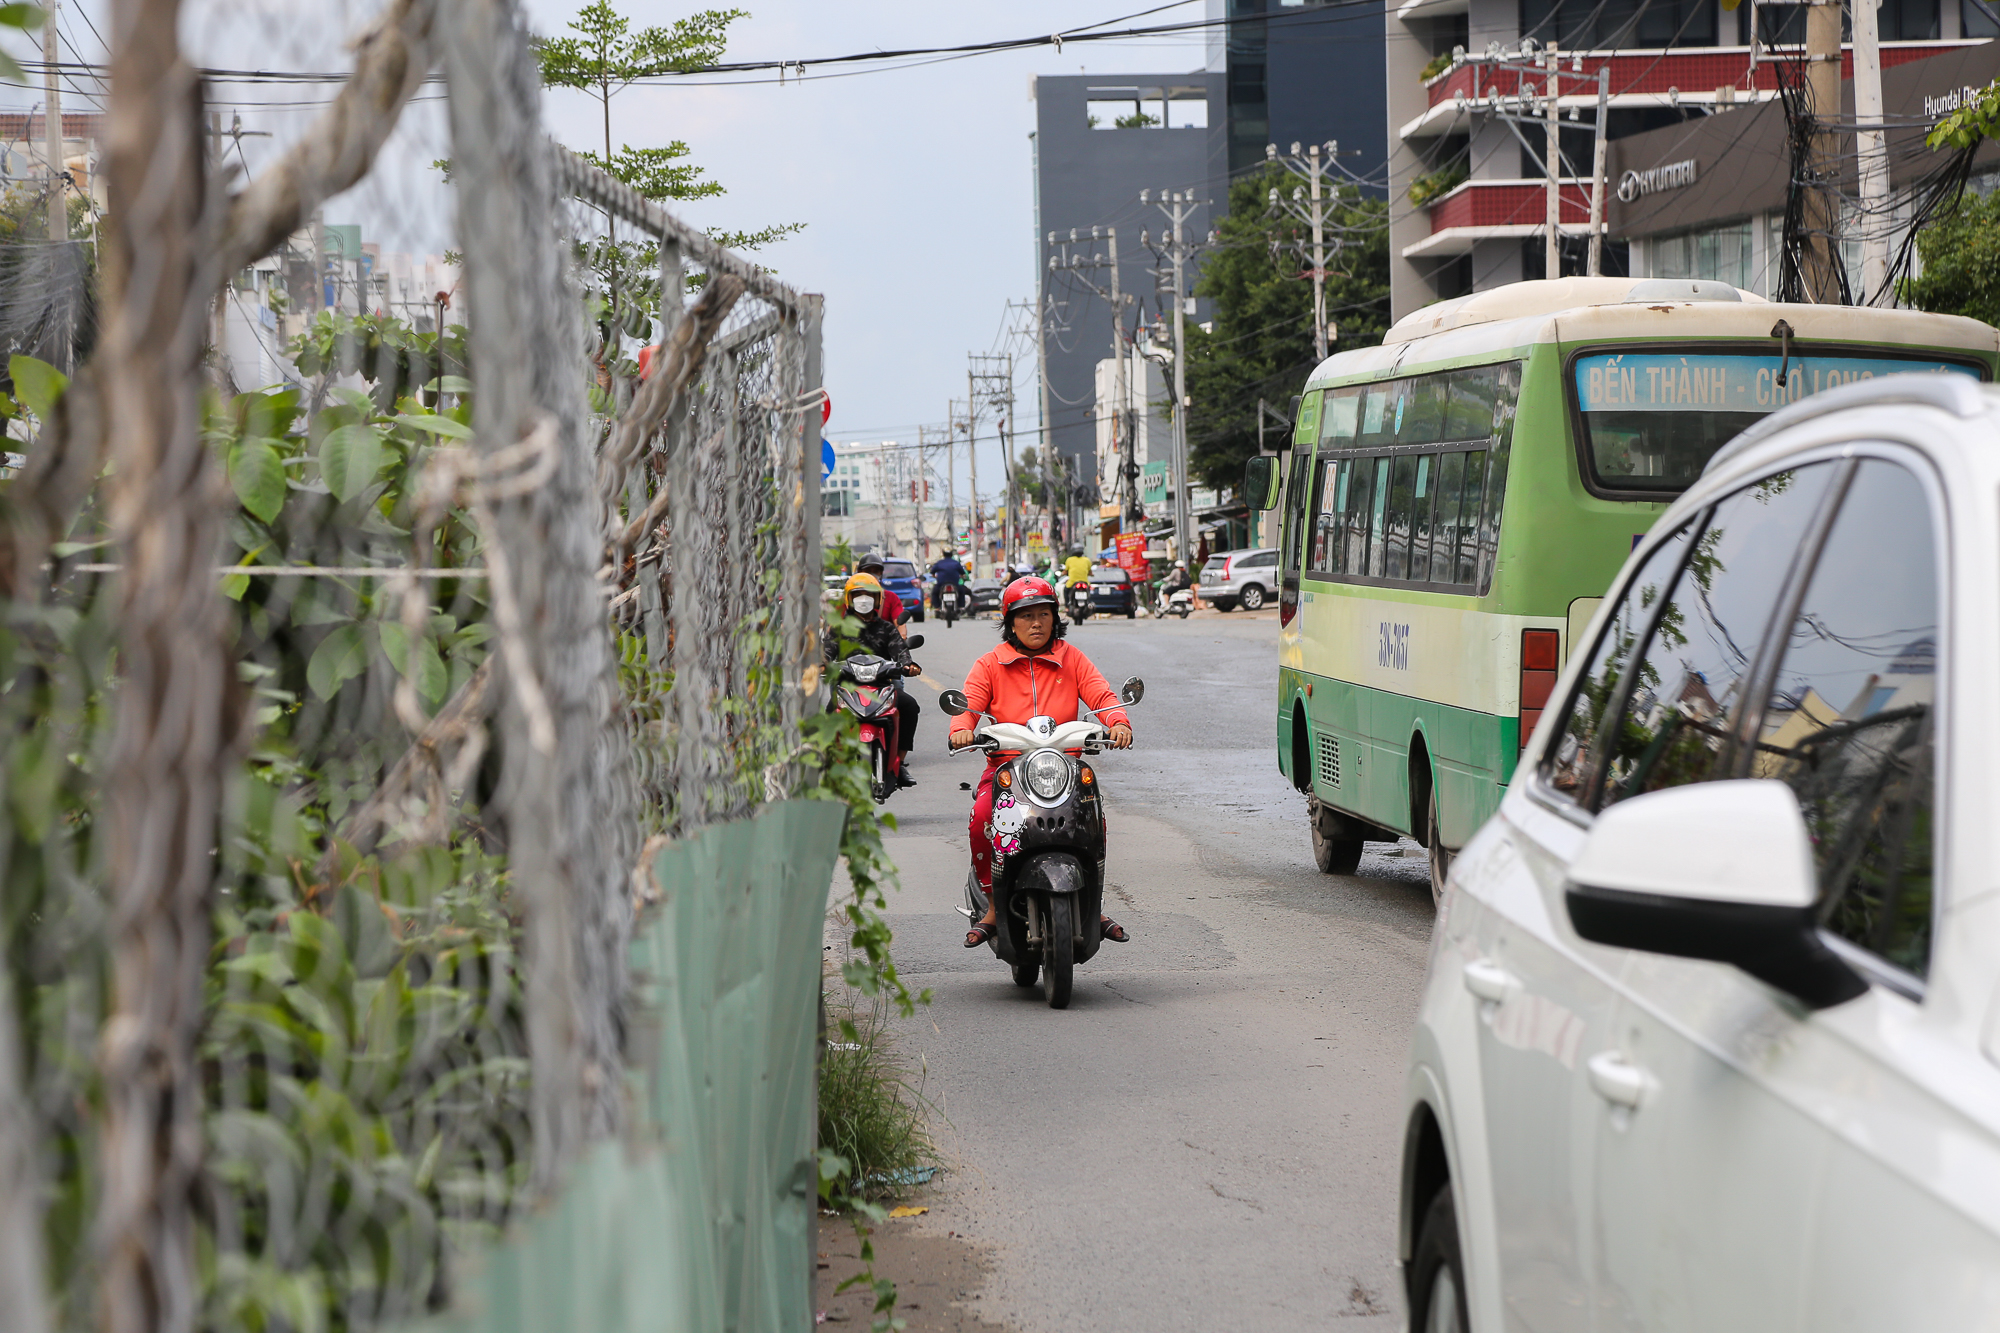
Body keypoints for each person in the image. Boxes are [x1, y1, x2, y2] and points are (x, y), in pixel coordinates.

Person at [950, 576, 1133, 947]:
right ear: (1010, 622)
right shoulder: (990, 664)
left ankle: (1092, 904)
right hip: (1007, 770)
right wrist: (962, 728)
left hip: (1065, 769)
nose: (1036, 623)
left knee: (1092, 822)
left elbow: (1101, 694)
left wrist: (1118, 722)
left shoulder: (1072, 658)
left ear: (1055, 619)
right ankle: (992, 906)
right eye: (1026, 615)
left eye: (1044, 615)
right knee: (984, 817)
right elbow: (968, 705)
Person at [827, 573, 922, 787]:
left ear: (877, 599)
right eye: (858, 594)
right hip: (847, 688)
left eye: (868, 594)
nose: (863, 599)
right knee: (827, 715)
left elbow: (900, 651)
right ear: (849, 600)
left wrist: (908, 665)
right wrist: (822, 664)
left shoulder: (887, 628)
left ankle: (900, 763)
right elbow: (827, 652)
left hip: (881, 689)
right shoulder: (839, 627)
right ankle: (830, 763)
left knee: (910, 707)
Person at [855, 551, 908, 631]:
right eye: (867, 571)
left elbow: (900, 625)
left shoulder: (891, 598)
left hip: (883, 642)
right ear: (859, 572)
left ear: (880, 574)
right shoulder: (848, 596)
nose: (872, 575)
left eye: (875, 571)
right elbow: (834, 628)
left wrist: (902, 638)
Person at [929, 549, 966, 616]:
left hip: (941, 584)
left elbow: (932, 572)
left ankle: (937, 608)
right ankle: (961, 607)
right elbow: (963, 573)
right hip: (954, 584)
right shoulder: (956, 563)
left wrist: (935, 576)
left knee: (934, 593)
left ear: (943, 554)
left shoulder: (939, 563)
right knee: (961, 592)